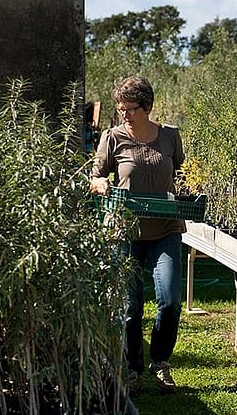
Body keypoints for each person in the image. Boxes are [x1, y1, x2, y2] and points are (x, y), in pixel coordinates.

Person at [90, 76, 185, 393]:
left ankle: (160, 363)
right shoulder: (113, 137)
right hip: (125, 231)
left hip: (165, 230)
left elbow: (179, 171)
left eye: (130, 109)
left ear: (147, 107)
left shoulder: (170, 136)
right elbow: (96, 175)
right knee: (129, 307)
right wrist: (100, 183)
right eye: (120, 109)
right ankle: (132, 370)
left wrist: (182, 192)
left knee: (170, 301)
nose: (125, 115)